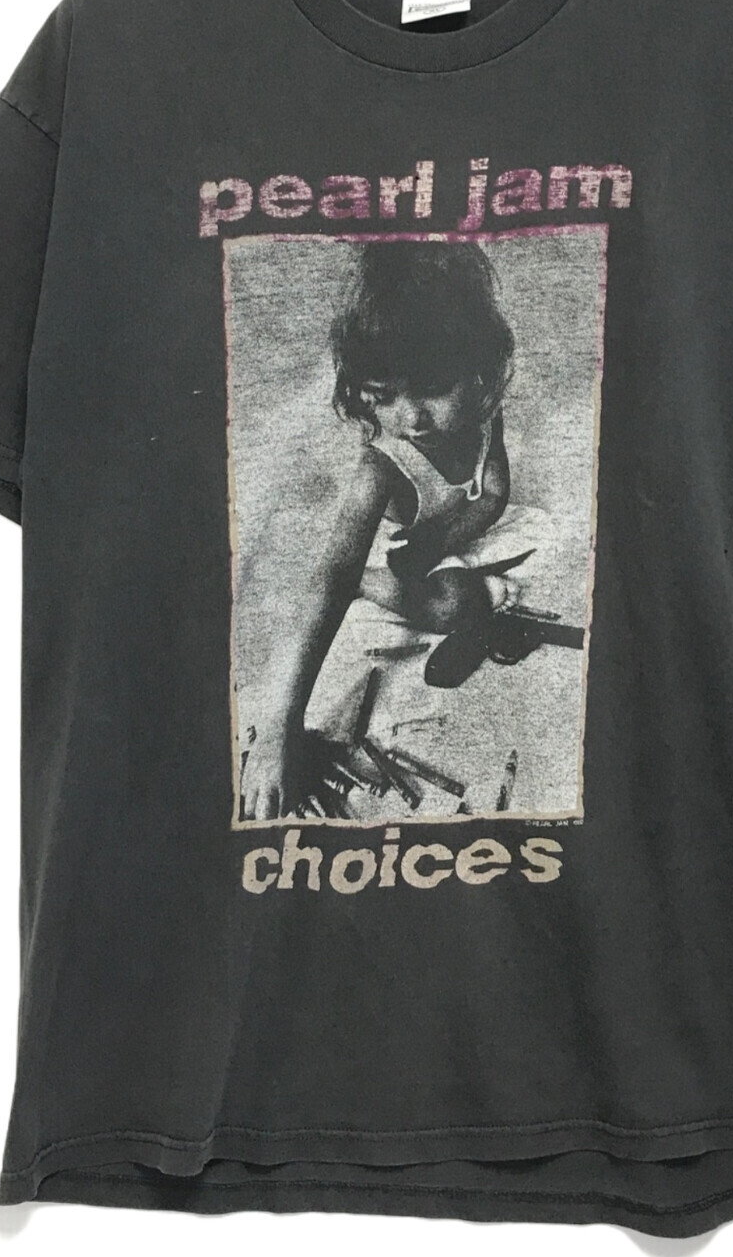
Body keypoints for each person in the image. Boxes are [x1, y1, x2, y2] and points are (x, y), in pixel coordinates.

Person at [238, 239, 558, 821]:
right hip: (390, 555)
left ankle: (464, 598)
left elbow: (493, 496)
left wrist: (442, 538)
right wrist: (279, 729)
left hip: (447, 535)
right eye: (384, 397)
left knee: (548, 550)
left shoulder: (484, 415)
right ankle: (374, 586)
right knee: (455, 604)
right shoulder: (380, 469)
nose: (412, 418)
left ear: (479, 373)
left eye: (433, 388)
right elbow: (326, 579)